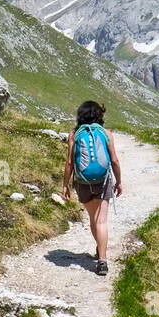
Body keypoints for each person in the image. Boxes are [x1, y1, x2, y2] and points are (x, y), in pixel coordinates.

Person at [62, 100, 122, 276]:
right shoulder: (106, 133)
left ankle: (99, 249)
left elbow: (70, 162)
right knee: (101, 220)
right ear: (99, 116)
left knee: (93, 219)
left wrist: (65, 185)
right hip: (103, 181)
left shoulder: (73, 134)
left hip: (83, 183)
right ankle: (102, 260)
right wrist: (119, 182)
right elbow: (115, 161)